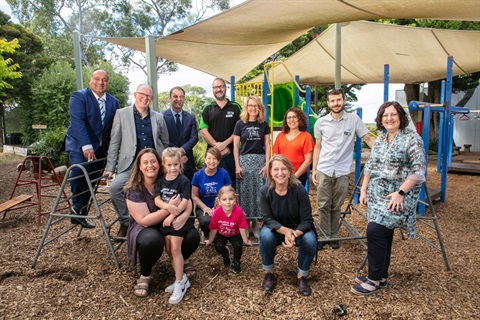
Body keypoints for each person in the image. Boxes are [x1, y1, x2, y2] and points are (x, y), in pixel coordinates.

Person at [351, 101, 426, 296]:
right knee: (382, 232)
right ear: (380, 119)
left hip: (399, 195)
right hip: (376, 194)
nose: (389, 118)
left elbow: (419, 170)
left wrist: (401, 193)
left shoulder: (412, 139)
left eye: (393, 114)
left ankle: (373, 279)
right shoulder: (381, 139)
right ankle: (382, 276)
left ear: (401, 117)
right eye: (385, 115)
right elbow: (370, 166)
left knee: (375, 230)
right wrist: (364, 190)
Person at [124, 148, 199, 301]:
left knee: (190, 236)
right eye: (145, 162)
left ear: (159, 164)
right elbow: (144, 220)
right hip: (147, 227)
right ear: (139, 166)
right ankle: (146, 274)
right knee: (153, 240)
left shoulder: (168, 177)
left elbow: (187, 200)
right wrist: (169, 209)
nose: (150, 165)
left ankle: (180, 277)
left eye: (153, 161)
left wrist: (184, 216)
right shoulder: (134, 189)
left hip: (170, 222)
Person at [311, 88, 375, 250]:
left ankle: (334, 235)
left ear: (344, 101)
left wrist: (384, 151)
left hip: (343, 170)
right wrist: (314, 170)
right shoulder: (321, 122)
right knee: (323, 204)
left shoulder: (353, 120)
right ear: (328, 103)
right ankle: (325, 235)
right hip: (324, 168)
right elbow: (317, 147)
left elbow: (367, 138)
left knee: (336, 205)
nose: (336, 103)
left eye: (338, 100)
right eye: (332, 101)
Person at [105, 84, 169, 240]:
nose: (145, 98)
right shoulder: (121, 114)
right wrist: (109, 167)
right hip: (130, 166)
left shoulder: (158, 117)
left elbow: (165, 142)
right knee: (114, 188)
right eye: (142, 94)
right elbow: (115, 142)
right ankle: (127, 222)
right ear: (135, 94)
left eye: (149, 96)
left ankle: (156, 220)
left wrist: (167, 163)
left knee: (170, 187)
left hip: (153, 166)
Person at [64, 68, 119, 229]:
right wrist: (86, 146)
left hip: (101, 148)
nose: (100, 82)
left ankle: (81, 212)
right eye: (97, 79)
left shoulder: (113, 102)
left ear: (108, 83)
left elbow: (112, 128)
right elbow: (78, 122)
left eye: (104, 80)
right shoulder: (79, 97)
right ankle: (75, 205)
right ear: (90, 80)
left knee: (93, 180)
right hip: (79, 144)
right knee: (79, 170)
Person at [259, 155, 317, 296]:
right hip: (276, 229)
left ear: (290, 171)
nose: (280, 173)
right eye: (276, 169)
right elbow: (267, 219)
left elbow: (307, 220)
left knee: (310, 240)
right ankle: (269, 272)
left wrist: (294, 234)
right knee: (265, 236)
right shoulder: (265, 191)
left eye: (284, 169)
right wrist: (285, 232)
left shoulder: (299, 190)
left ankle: (302, 276)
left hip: (298, 229)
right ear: (270, 172)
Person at [153, 147, 195, 304]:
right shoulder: (161, 180)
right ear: (164, 164)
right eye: (169, 165)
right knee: (169, 249)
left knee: (176, 249)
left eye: (176, 165)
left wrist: (171, 216)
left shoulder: (183, 181)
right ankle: (182, 278)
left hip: (178, 222)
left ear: (180, 164)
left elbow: (184, 201)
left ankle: (179, 284)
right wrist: (167, 208)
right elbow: (156, 199)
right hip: (166, 221)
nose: (173, 168)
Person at [233, 96, 270, 237]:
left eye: (256, 106)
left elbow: (267, 145)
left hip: (259, 162)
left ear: (259, 108)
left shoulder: (264, 124)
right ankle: (245, 224)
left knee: (258, 194)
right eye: (250, 105)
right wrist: (237, 165)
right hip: (245, 162)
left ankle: (255, 224)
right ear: (246, 107)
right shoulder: (240, 124)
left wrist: (267, 164)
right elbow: (236, 146)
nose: (253, 108)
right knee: (245, 194)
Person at [199, 78, 241, 186]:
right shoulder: (207, 109)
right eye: (216, 87)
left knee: (232, 189)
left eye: (221, 86)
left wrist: (225, 144)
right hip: (212, 157)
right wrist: (218, 148)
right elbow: (204, 132)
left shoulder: (236, 108)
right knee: (211, 188)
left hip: (231, 155)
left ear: (225, 88)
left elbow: (239, 131)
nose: (219, 89)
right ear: (213, 89)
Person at [204, 186, 252, 273]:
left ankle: (236, 261)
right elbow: (214, 228)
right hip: (221, 233)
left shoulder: (238, 211)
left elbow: (242, 227)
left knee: (238, 245)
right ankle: (225, 254)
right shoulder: (217, 212)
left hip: (234, 233)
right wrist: (210, 240)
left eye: (231, 199)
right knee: (218, 246)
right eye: (224, 199)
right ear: (219, 201)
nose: (228, 202)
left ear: (235, 200)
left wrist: (246, 240)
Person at [191, 147, 231, 239]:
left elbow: (229, 193)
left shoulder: (224, 174)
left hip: (222, 206)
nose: (212, 161)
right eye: (209, 158)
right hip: (203, 207)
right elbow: (194, 196)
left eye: (215, 159)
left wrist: (217, 207)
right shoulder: (197, 175)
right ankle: (207, 234)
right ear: (205, 159)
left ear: (219, 161)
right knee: (206, 221)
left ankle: (219, 236)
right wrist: (205, 208)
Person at [162, 86, 198, 181]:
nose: (179, 99)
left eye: (181, 97)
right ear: (170, 98)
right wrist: (176, 153)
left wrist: (182, 150)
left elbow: (194, 137)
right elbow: (162, 138)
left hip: (187, 161)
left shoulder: (190, 117)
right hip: (169, 164)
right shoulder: (162, 117)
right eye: (175, 96)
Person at [272, 107, 314, 187]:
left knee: (295, 199)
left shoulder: (306, 137)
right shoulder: (280, 135)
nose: (292, 120)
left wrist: (295, 176)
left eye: (294, 117)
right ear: (286, 121)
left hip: (298, 176)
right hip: (281, 175)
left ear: (300, 119)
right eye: (289, 118)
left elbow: (308, 160)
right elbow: (275, 156)